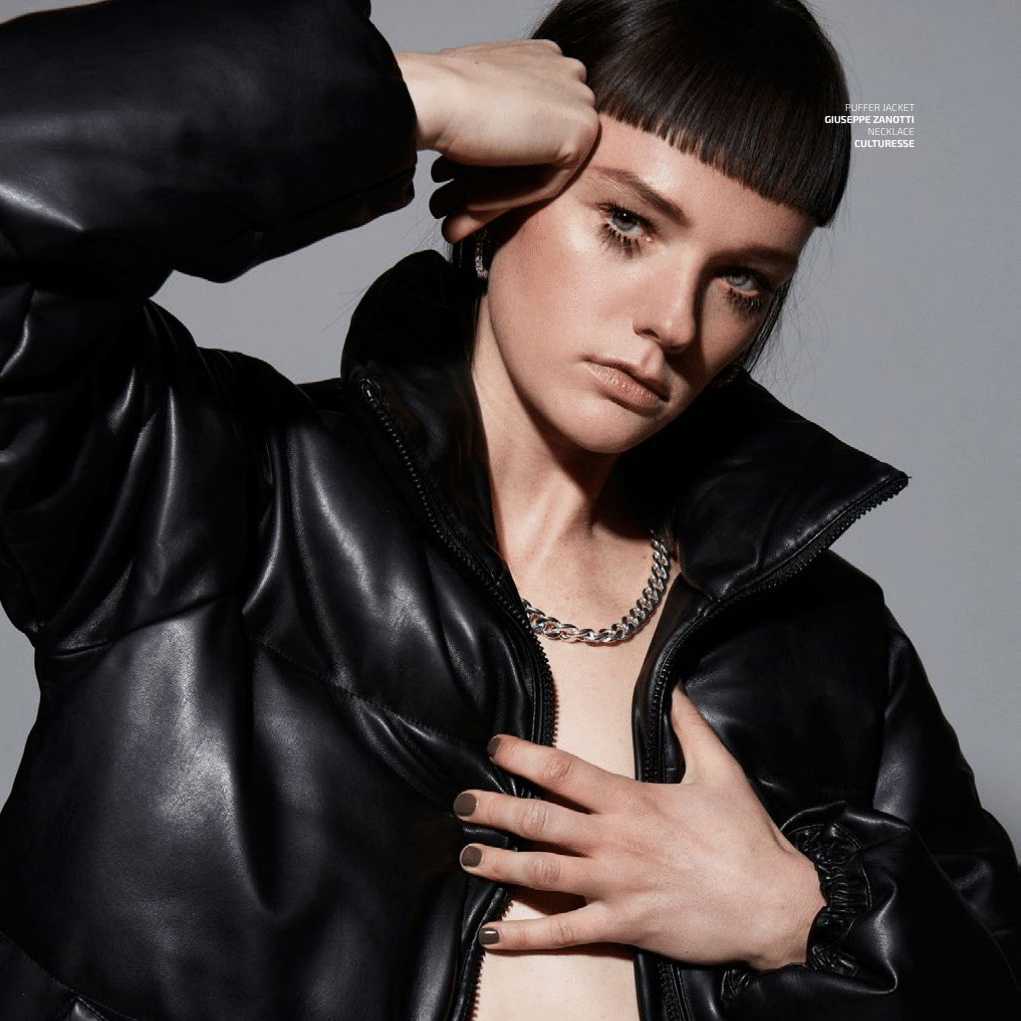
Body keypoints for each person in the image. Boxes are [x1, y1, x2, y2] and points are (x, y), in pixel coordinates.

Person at [0, 0, 1016, 1019]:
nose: (673, 322)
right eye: (627, 224)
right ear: (496, 194)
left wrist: (803, 910)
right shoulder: (203, 483)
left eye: (742, 282)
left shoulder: (833, 652)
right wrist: (397, 97)